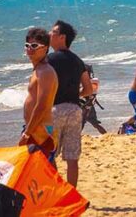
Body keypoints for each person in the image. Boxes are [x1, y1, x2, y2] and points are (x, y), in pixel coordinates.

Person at [47, 20, 93, 186]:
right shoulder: (78, 61)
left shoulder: (49, 60)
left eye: (52, 32)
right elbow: (88, 89)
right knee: (72, 157)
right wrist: (75, 94)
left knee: (48, 153)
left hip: (54, 111)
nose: (49, 35)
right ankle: (71, 193)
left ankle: (56, 189)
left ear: (62, 37)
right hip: (75, 110)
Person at [21, 28, 58, 157]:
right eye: (27, 45)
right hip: (35, 129)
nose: (29, 49)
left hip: (41, 132)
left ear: (45, 48)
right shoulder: (38, 70)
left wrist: (27, 133)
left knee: (40, 170)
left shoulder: (45, 72)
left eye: (34, 46)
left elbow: (41, 106)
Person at [80, 64, 108, 135]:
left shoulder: (89, 82)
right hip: (90, 106)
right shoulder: (95, 81)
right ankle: (106, 135)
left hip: (85, 107)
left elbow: (85, 93)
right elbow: (93, 95)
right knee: (95, 125)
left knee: (80, 125)